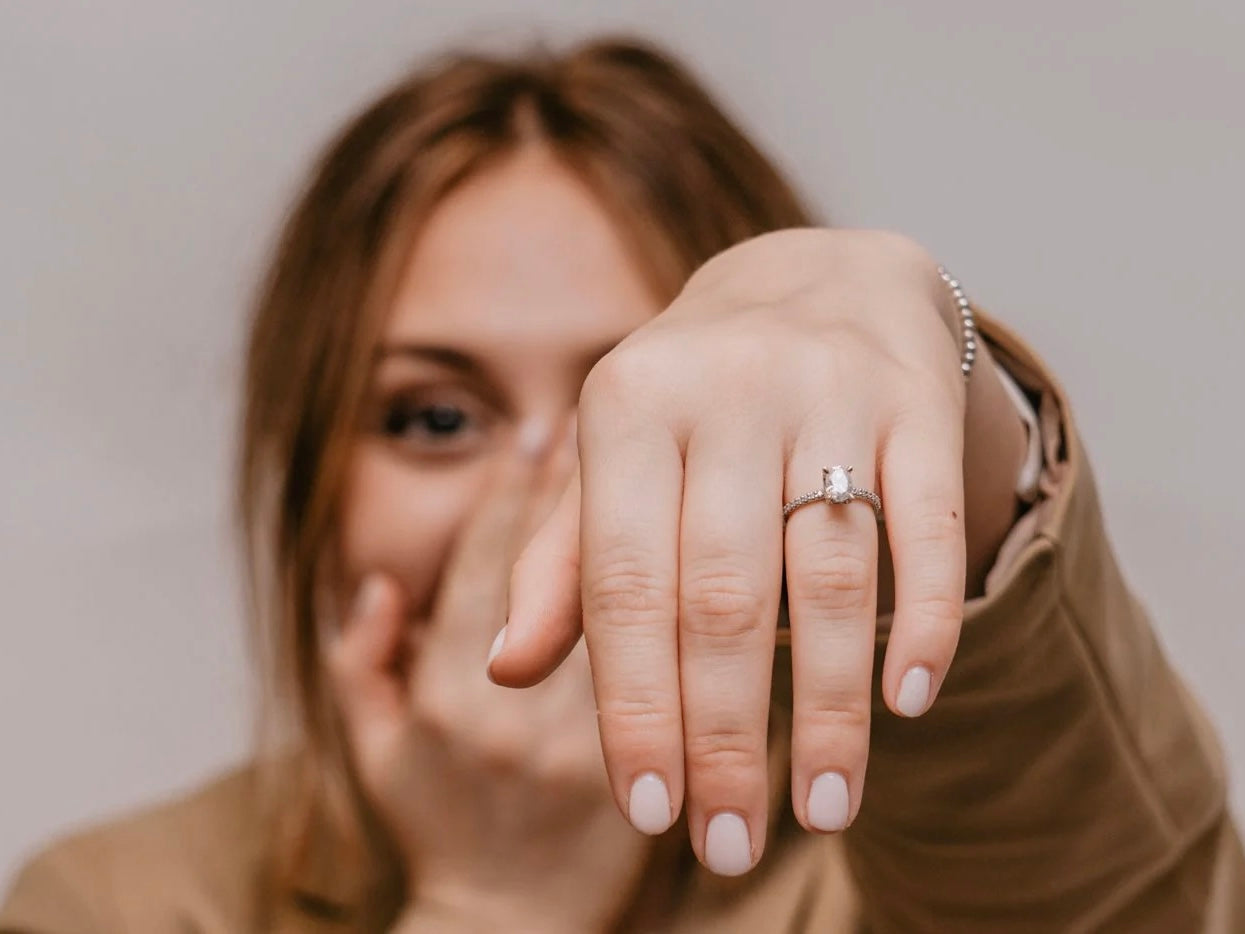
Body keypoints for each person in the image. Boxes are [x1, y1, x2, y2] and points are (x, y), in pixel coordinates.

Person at [2, 34, 1241, 934]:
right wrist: (496, 896)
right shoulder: (124, 904)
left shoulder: (905, 872)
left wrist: (928, 358)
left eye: (637, 405)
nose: (550, 498)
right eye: (435, 417)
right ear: (312, 494)